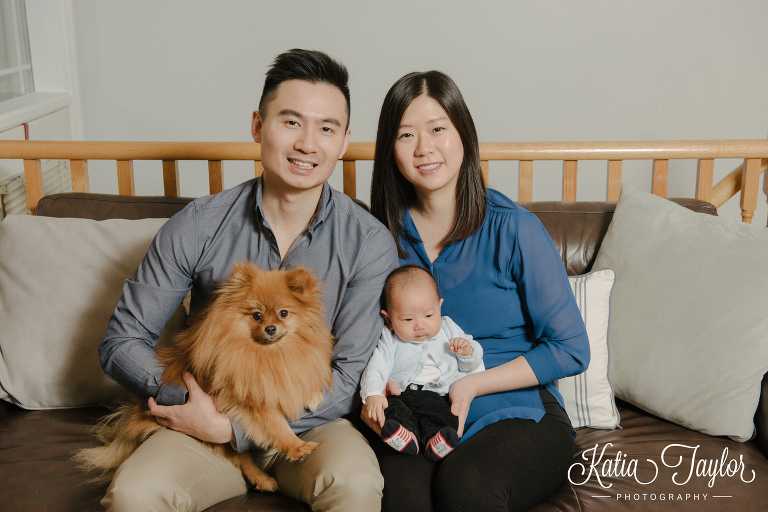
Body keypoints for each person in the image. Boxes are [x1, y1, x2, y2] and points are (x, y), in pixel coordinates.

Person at [98, 49, 398, 512]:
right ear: (258, 126)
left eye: (326, 128)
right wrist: (194, 405)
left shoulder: (368, 242)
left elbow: (350, 374)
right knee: (136, 492)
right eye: (291, 122)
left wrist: (235, 428)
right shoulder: (199, 223)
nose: (307, 144)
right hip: (205, 419)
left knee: (355, 483)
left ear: (343, 142)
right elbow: (122, 341)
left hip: (311, 421)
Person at [364, 70, 590, 512]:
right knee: (404, 498)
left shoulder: (515, 229)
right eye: (406, 135)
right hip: (418, 411)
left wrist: (471, 386)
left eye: (437, 129)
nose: (424, 148)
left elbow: (571, 349)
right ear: (390, 151)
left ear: (463, 134)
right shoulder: (378, 239)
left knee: (466, 487)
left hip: (518, 408)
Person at [360, 265, 484, 462]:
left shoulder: (449, 327)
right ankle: (404, 436)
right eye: (408, 319)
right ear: (389, 320)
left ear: (439, 306)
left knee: (442, 416)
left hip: (437, 395)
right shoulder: (390, 337)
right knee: (393, 411)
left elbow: (471, 366)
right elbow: (377, 365)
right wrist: (373, 394)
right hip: (401, 393)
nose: (420, 325)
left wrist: (467, 352)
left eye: (428, 315)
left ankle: (436, 441)